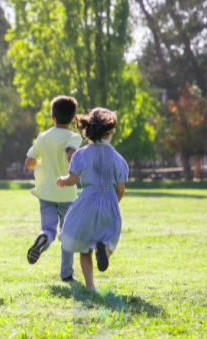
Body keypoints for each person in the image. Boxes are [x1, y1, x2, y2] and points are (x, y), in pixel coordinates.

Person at [57, 108, 128, 291]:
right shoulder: (119, 159)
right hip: (109, 200)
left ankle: (90, 287)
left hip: (87, 201)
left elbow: (71, 180)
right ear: (110, 132)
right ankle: (104, 251)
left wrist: (61, 180)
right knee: (110, 237)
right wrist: (114, 202)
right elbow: (120, 188)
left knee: (84, 246)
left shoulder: (80, 154)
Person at [24, 96, 82, 282]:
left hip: (45, 192)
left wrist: (43, 161)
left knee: (48, 228)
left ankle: (43, 238)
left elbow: (28, 163)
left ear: (52, 117)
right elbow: (71, 154)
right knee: (67, 233)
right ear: (73, 118)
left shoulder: (43, 136)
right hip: (66, 192)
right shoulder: (73, 136)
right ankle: (66, 272)